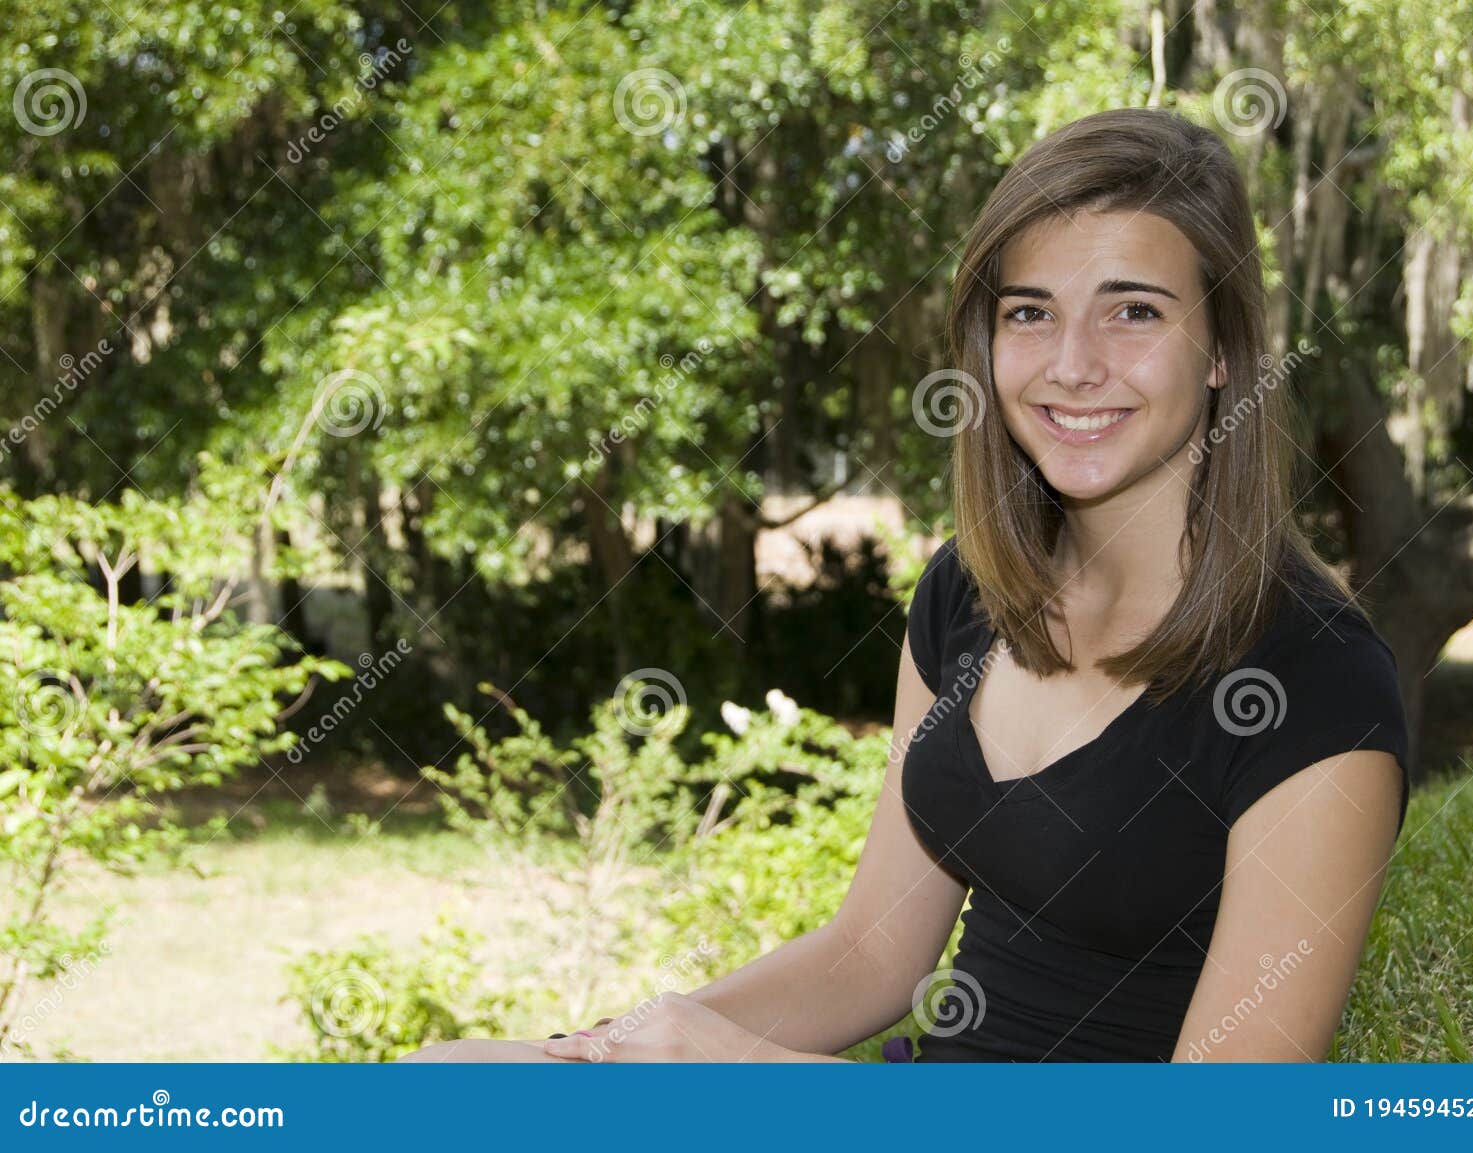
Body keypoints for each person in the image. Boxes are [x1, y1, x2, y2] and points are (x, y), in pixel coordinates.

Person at [408, 105, 1409, 1065]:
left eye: (1132, 312)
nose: (1070, 364)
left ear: (1225, 349)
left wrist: (748, 1076)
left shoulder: (1317, 684)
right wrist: (594, 1054)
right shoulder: (967, 595)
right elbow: (870, 955)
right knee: (442, 1081)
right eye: (1030, 313)